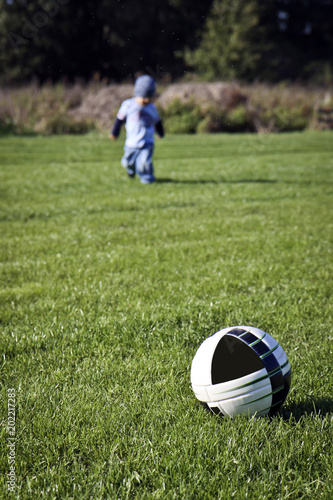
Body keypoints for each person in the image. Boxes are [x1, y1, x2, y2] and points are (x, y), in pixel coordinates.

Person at [110, 75, 164, 184]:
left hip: (147, 142)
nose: (146, 100)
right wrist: (114, 133)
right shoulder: (128, 105)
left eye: (149, 97)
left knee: (144, 163)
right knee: (128, 162)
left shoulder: (152, 108)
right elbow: (119, 120)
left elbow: (158, 122)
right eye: (143, 97)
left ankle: (147, 179)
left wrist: (160, 133)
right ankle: (131, 169)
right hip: (131, 143)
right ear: (137, 93)